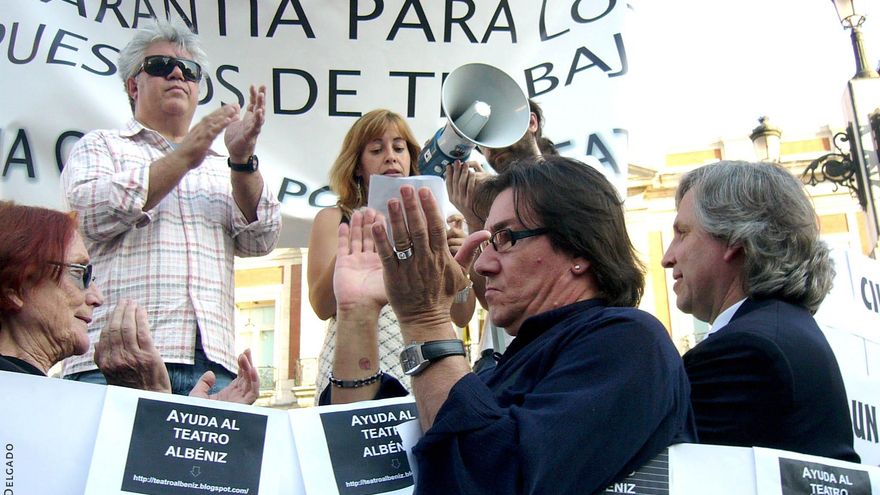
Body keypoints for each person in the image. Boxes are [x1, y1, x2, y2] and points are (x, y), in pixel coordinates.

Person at [323, 157, 696, 494]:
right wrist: (357, 313)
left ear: (579, 248)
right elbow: (369, 459)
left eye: (504, 239)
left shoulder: (628, 341)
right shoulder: (511, 361)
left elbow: (489, 478)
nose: (482, 266)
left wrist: (426, 319)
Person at [61, 17, 281, 394]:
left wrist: (242, 161)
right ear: (133, 84)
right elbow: (89, 216)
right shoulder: (102, 146)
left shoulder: (222, 164)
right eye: (161, 66)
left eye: (189, 71)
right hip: (115, 358)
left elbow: (260, 240)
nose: (178, 73)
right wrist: (185, 156)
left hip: (210, 368)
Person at [661, 160, 859, 462]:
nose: (667, 257)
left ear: (733, 240)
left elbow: (672, 472)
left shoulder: (747, 351)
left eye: (682, 233)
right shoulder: (782, 330)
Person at [0, 201, 259, 404]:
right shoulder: (20, 399)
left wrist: (183, 422)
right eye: (81, 273)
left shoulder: (42, 398)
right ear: (15, 286)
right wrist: (149, 400)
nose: (96, 298)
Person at [307, 109, 475, 400]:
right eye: (376, 149)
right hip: (353, 367)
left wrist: (458, 270)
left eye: (399, 148)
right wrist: (362, 231)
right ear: (357, 165)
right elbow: (322, 307)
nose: (390, 156)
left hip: (427, 363)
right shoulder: (334, 219)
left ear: (411, 158)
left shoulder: (438, 222)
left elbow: (462, 316)